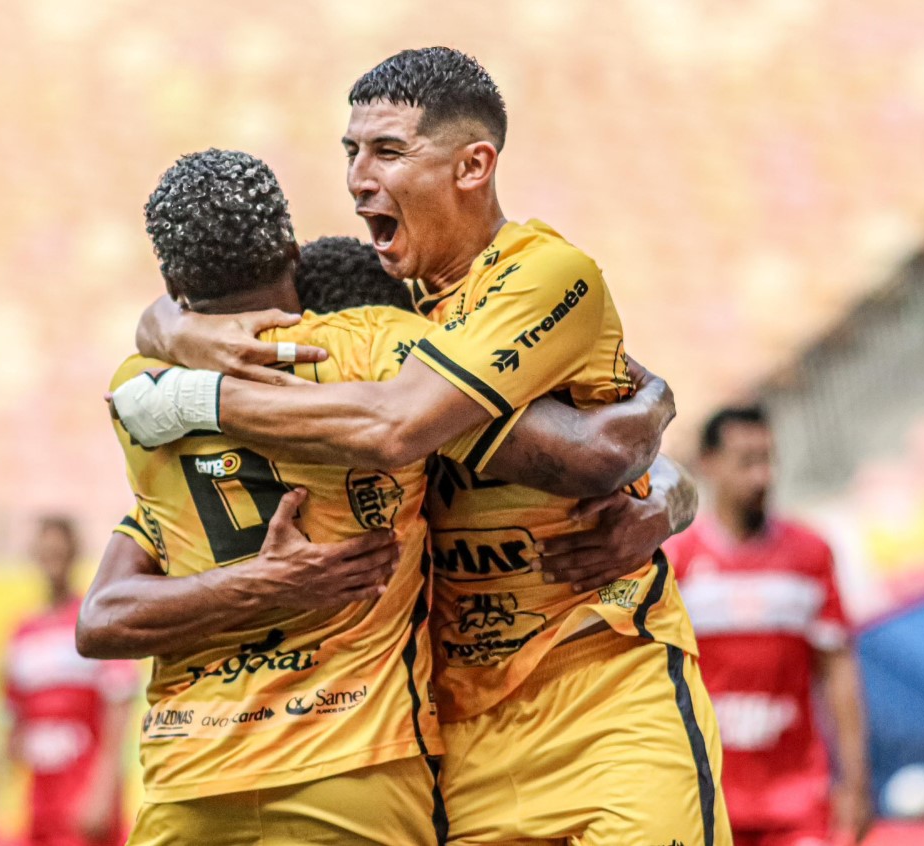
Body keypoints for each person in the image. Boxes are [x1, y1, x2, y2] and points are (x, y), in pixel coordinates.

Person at [112, 49, 725, 846]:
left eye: (388, 151)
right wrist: (169, 328)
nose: (357, 178)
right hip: (454, 733)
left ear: (473, 166)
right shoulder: (377, 308)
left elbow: (405, 428)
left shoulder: (542, 275)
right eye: (351, 151)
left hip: (602, 690)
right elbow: (215, 296)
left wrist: (187, 397)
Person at [664, 406, 872, 846]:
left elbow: (838, 671)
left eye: (767, 460)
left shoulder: (811, 554)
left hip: (798, 802)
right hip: (706, 798)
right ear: (709, 464)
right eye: (746, 462)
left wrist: (855, 782)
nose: (762, 476)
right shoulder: (675, 563)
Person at [0, 516, 138, 846]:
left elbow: (119, 709)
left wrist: (103, 790)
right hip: (41, 798)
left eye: (60, 552)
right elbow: (11, 720)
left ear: (74, 555)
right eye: (47, 552)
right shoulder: (21, 633)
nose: (53, 561)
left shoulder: (94, 622)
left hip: (83, 793)